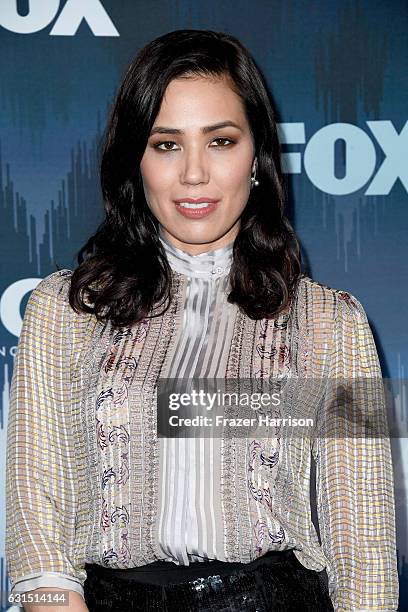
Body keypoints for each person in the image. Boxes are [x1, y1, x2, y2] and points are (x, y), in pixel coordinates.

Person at [5, 29, 399, 612]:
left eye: (220, 141)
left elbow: (363, 532)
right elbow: (38, 515)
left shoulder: (334, 324)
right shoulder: (63, 313)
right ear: (134, 162)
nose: (194, 174)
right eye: (166, 144)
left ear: (257, 157)